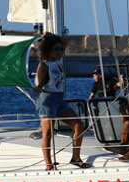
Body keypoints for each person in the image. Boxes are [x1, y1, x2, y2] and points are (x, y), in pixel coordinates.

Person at [33, 32, 90, 170]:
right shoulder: (44, 65)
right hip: (47, 100)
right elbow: (40, 86)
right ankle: (49, 164)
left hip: (59, 99)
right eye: (56, 49)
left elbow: (65, 41)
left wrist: (49, 35)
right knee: (47, 133)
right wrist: (38, 88)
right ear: (48, 50)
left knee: (78, 126)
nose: (59, 51)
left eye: (61, 49)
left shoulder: (58, 63)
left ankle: (76, 158)